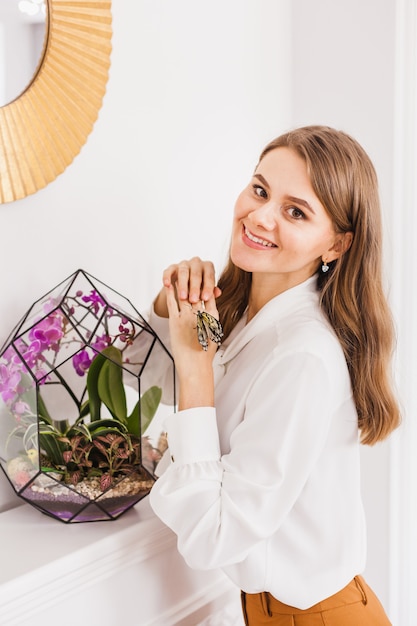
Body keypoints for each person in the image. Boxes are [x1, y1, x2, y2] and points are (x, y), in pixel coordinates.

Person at [143, 125, 400, 624]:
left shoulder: (302, 355)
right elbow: (141, 378)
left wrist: (196, 371)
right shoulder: (242, 317)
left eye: (295, 211)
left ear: (337, 246)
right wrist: (173, 302)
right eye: (260, 190)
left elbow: (213, 537)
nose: (259, 216)